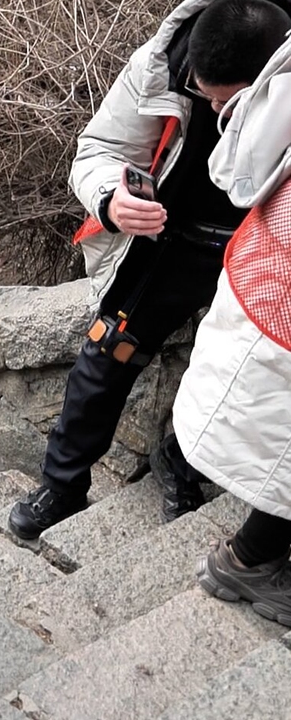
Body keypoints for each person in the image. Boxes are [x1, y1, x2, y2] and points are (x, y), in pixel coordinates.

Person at [8, 0, 291, 540]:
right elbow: (98, 149)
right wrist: (112, 199)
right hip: (174, 238)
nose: (212, 109)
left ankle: (183, 460)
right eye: (203, 95)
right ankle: (62, 485)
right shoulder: (163, 63)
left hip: (268, 246)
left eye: (226, 103)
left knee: (242, 370)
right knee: (109, 348)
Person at [173, 37, 291, 625]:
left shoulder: (276, 104)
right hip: (273, 319)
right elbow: (102, 147)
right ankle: (247, 562)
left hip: (265, 303)